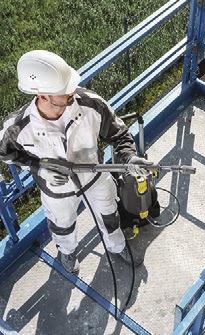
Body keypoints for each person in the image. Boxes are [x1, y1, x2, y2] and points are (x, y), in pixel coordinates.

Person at [0, 50, 151, 273]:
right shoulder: (18, 127)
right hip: (56, 190)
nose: (73, 94)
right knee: (62, 225)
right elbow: (6, 153)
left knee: (109, 213)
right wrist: (39, 167)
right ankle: (67, 252)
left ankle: (116, 245)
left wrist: (129, 156)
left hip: (96, 177)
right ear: (43, 95)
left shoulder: (90, 104)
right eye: (66, 95)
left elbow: (118, 135)